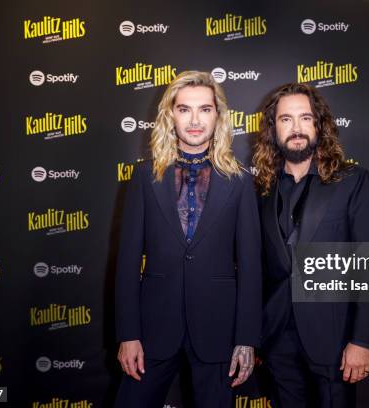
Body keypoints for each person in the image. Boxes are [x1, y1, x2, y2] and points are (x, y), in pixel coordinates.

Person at [114, 71, 262, 408]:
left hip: (218, 329)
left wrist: (246, 338)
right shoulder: (144, 176)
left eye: (205, 110)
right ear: (170, 115)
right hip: (153, 328)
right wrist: (128, 333)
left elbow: (252, 265)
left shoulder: (239, 181)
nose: (195, 120)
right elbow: (127, 261)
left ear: (218, 117)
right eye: (185, 109)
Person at [253, 83, 369, 407]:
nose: (296, 129)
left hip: (335, 339)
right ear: (273, 128)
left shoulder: (352, 181)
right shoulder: (262, 190)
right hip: (277, 340)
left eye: (305, 118)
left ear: (319, 125)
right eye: (286, 119)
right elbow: (258, 268)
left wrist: (361, 340)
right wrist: (254, 338)